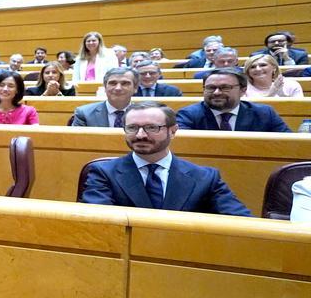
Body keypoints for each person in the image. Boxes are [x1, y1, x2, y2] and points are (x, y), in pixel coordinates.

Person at [80, 102, 250, 216]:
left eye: (151, 128)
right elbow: (98, 224)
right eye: (132, 128)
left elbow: (242, 222)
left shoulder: (205, 178)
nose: (140, 135)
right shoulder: (103, 173)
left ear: (173, 131)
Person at [176, 69, 291, 132]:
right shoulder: (188, 115)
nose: (216, 92)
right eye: (211, 88)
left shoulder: (264, 113)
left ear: (242, 90)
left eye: (225, 87)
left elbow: (288, 144)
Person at [70, 67, 138, 128]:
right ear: (105, 88)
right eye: (113, 83)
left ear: (135, 88)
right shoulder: (84, 113)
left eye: (125, 83)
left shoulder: (146, 114)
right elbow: (76, 141)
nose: (118, 88)